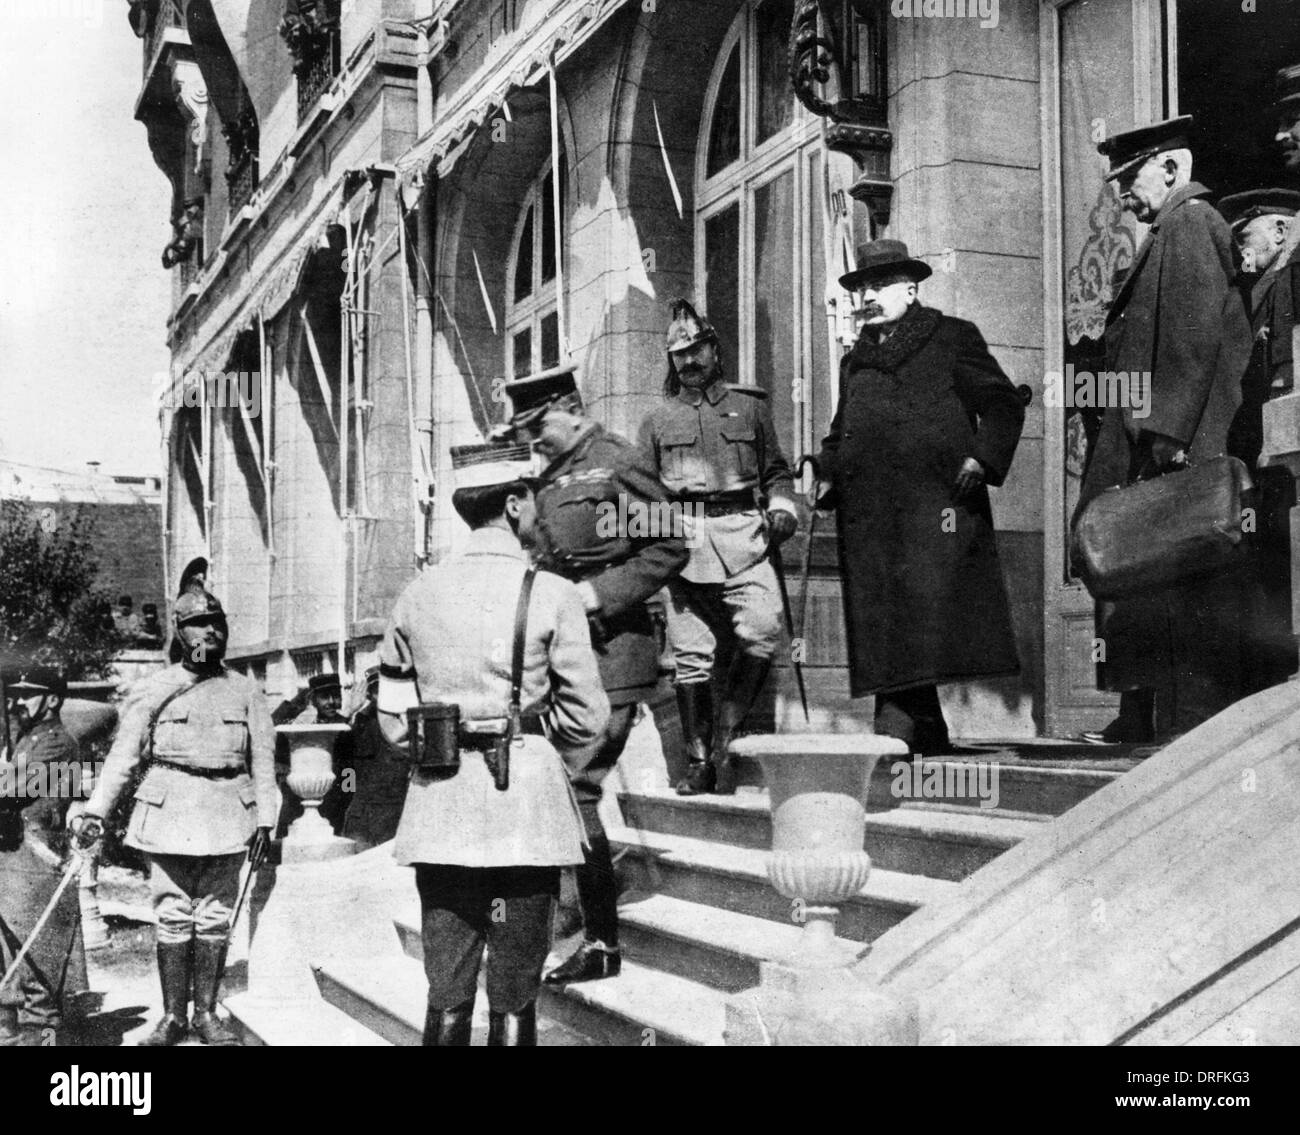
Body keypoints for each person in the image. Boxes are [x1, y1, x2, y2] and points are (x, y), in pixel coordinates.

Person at [376, 440, 609, 1046]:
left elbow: (395, 723)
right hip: (522, 810)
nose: (538, 511)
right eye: (532, 498)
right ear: (512, 504)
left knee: (447, 982)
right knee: (514, 985)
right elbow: (589, 717)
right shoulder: (553, 592)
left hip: (441, 804)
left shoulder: (417, 593)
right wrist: (533, 740)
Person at [502, 366, 687, 986]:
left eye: (537, 430)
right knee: (558, 788)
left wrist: (598, 594)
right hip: (565, 659)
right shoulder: (550, 479)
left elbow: (668, 543)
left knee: (576, 788)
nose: (533, 445)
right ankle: (574, 912)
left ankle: (602, 943)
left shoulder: (617, 463)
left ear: (566, 409)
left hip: (614, 652)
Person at [1076, 116, 1253, 744]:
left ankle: (1184, 730)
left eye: (1129, 177)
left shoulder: (1188, 222)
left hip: (1175, 445)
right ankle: (1149, 718)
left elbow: (1190, 336)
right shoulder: (1174, 228)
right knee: (1150, 582)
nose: (1122, 195)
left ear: (1171, 168)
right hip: (1161, 438)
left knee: (1173, 581)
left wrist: (1168, 433)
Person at [815, 239, 1025, 754]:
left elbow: (1002, 403)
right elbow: (841, 431)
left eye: (880, 285)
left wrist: (982, 458)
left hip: (936, 505)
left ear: (910, 288)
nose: (868, 295)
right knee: (886, 617)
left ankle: (901, 730)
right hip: (868, 513)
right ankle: (922, 731)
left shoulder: (952, 337)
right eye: (862, 286)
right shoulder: (855, 361)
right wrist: (825, 471)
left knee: (923, 614)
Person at [72, 580, 277, 1046]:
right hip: (169, 812)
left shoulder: (246, 691)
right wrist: (96, 811)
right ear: (180, 632)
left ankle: (205, 1014)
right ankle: (171, 1018)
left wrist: (267, 819)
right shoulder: (155, 689)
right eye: (199, 624)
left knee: (215, 915)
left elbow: (263, 760)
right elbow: (124, 756)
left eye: (217, 623)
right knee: (172, 913)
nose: (211, 633)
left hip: (229, 809)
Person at [639, 300, 798, 795]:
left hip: (744, 535)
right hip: (683, 542)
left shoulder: (750, 407)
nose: (688, 362)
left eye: (696, 350)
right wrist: (653, 542)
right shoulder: (657, 420)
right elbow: (642, 491)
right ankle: (699, 762)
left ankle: (729, 737)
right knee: (691, 655)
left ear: (714, 349)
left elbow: (777, 471)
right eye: (678, 355)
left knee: (763, 627)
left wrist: (783, 509)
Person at [1219, 188, 1300, 691]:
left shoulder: (1288, 281)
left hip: (1284, 441)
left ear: (1278, 230)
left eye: (1245, 237)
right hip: (1264, 448)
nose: (1240, 251)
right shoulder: (1257, 288)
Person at [0, 667, 88, 1046]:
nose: (18, 701)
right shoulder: (27, 737)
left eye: (28, 694)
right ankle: (11, 1028)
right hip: (15, 853)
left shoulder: (58, 743)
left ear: (52, 699)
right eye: (15, 695)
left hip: (38, 858)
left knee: (39, 956)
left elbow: (11, 788)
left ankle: (43, 1039)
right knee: (10, 949)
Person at [342, 667, 408, 848]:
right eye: (378, 690)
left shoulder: (408, 722)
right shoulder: (362, 722)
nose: (384, 697)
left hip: (398, 816)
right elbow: (343, 762)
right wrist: (348, 711)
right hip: (363, 819)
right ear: (370, 694)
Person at [294, 672, 354, 833]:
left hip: (338, 797)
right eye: (325, 697)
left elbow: (350, 769)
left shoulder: (349, 726)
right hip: (310, 795)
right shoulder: (306, 725)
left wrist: (348, 794)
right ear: (313, 700)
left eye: (336, 696)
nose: (332, 702)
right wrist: (298, 700)